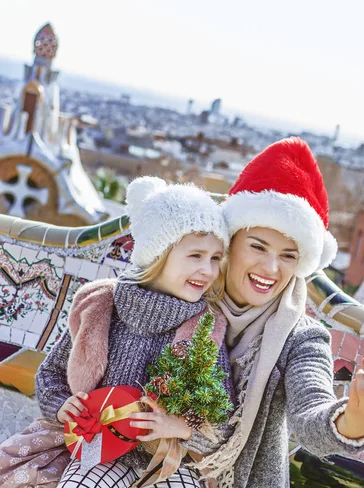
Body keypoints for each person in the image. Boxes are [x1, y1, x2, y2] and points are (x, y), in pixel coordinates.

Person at [185, 137, 364, 488]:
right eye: (258, 246)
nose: (271, 268)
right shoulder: (186, 298)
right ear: (230, 242)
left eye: (288, 255)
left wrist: (352, 421)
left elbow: (310, 412)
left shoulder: (301, 336)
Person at [33, 177, 234, 488]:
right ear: (156, 254)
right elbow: (51, 372)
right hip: (100, 448)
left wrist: (180, 427)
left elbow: (221, 417)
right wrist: (61, 404)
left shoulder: (205, 329)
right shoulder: (101, 306)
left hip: (170, 458)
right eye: (195, 256)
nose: (208, 271)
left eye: (215, 258)